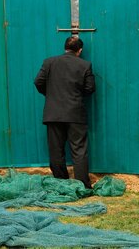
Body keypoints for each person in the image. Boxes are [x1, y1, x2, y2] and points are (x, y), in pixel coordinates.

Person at [34, 35, 96, 189]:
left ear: (65, 47)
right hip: (75, 113)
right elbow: (90, 89)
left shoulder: (49, 62)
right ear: (79, 50)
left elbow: (38, 82)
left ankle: (61, 184)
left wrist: (52, 95)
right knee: (79, 149)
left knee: (56, 150)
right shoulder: (85, 65)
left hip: (53, 113)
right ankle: (82, 185)